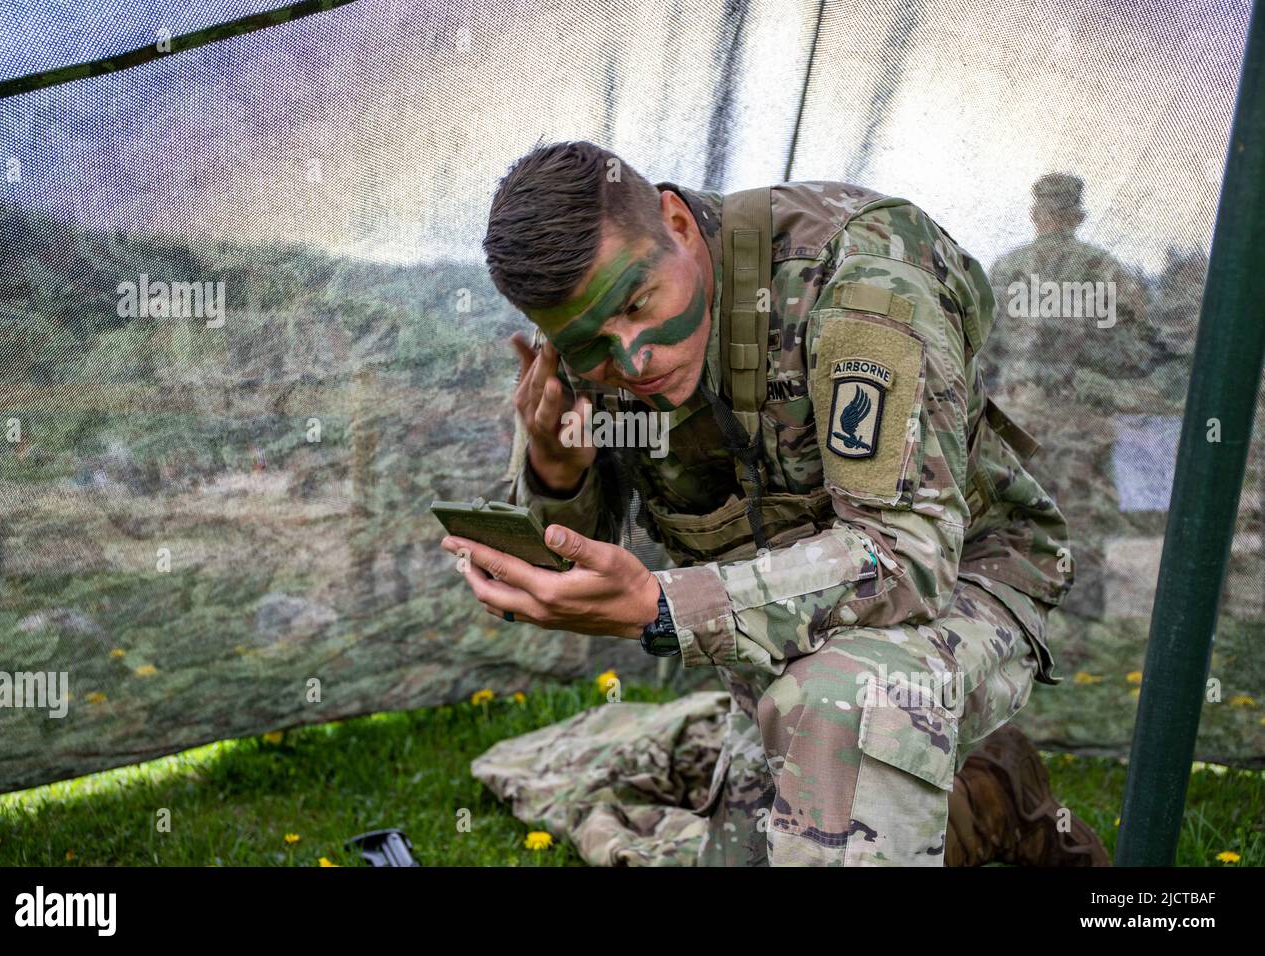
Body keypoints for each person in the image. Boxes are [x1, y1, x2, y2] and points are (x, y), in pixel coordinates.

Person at [443, 141, 1108, 866]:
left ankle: (937, 763)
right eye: (592, 346)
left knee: (843, 706)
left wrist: (664, 608)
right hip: (777, 634)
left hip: (963, 580)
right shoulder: (585, 339)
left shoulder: (858, 275)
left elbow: (905, 559)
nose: (633, 362)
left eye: (640, 306)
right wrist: (557, 469)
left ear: (678, 224)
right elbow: (575, 548)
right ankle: (987, 797)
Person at [982, 173, 1154, 619]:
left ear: (1036, 215)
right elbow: (1135, 351)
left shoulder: (1007, 268)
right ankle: (1077, 629)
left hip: (1019, 414)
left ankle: (1006, 611)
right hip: (1082, 414)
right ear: (1078, 216)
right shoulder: (1105, 270)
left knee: (1012, 508)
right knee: (1081, 516)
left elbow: (983, 349)